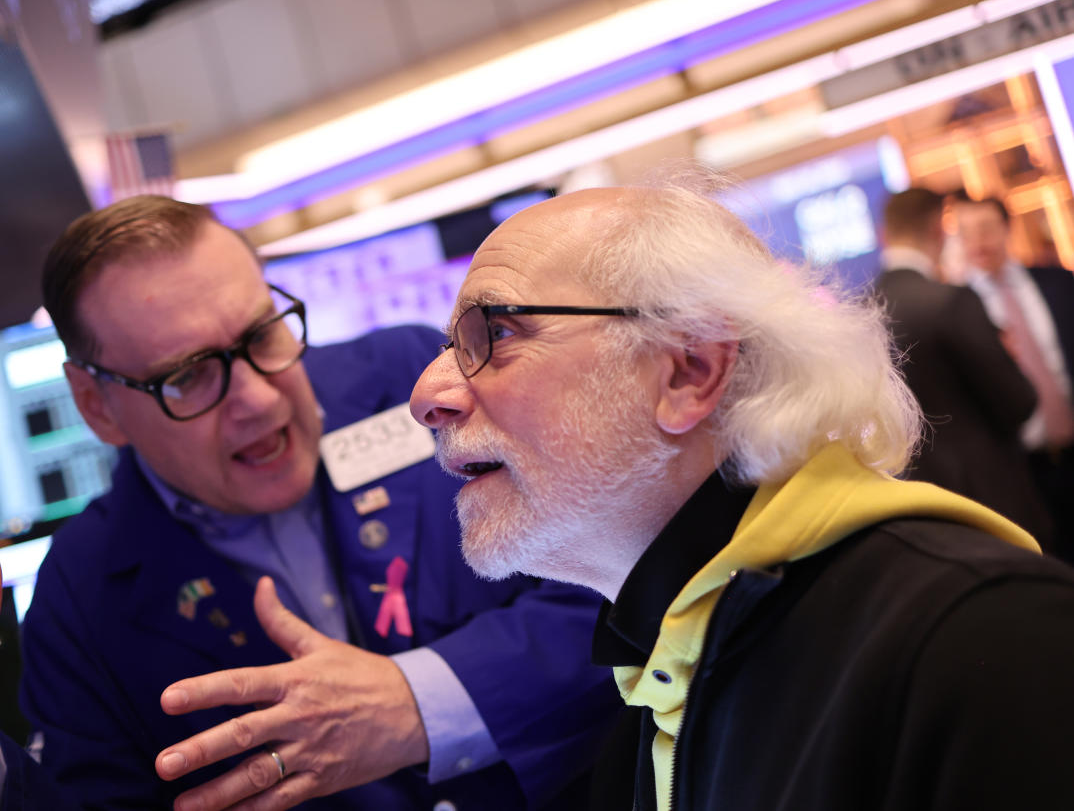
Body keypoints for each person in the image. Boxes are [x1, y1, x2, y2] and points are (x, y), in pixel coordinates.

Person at [0, 195, 619, 811]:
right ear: (97, 406)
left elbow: (623, 593)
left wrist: (416, 701)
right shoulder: (82, 594)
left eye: (261, 334)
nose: (259, 400)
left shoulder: (417, 384)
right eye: (189, 376)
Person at [409, 179, 1074, 811]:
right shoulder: (663, 681)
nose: (427, 395)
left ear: (688, 369)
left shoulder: (980, 635)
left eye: (494, 334)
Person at [874, 187, 1052, 542]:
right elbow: (1019, 403)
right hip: (995, 498)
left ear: (884, 234)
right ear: (940, 232)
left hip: (923, 509)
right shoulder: (951, 300)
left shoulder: (862, 311)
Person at [953, 190, 1074, 562]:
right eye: (965, 232)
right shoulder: (958, 310)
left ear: (1007, 228)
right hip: (1023, 472)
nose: (978, 242)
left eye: (986, 228)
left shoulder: (1059, 283)